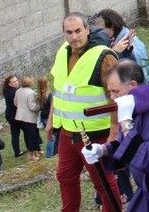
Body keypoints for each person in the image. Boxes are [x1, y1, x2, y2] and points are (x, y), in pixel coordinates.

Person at [47, 12, 122, 212]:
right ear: (63, 33)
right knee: (65, 177)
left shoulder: (104, 57)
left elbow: (116, 98)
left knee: (103, 183)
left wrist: (114, 133)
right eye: (69, 32)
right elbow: (59, 89)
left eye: (78, 31)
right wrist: (50, 119)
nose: (74, 37)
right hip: (67, 132)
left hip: (95, 135)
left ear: (87, 30)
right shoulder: (62, 50)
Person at [83, 60, 149, 212]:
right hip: (146, 191)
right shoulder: (134, 110)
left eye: (115, 91)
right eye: (110, 92)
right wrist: (102, 150)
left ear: (133, 85)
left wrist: (126, 124)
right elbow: (125, 146)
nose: (112, 97)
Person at [93, 9, 149, 80]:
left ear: (112, 27)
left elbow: (131, 75)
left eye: (101, 29)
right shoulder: (123, 35)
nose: (99, 33)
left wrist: (113, 52)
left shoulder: (126, 44)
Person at [14, 75, 43, 161]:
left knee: (28, 135)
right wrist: (40, 106)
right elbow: (32, 107)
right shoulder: (31, 93)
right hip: (29, 118)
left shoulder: (18, 91)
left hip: (20, 117)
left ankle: (37, 150)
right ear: (30, 82)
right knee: (32, 136)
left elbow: (15, 102)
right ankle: (31, 156)